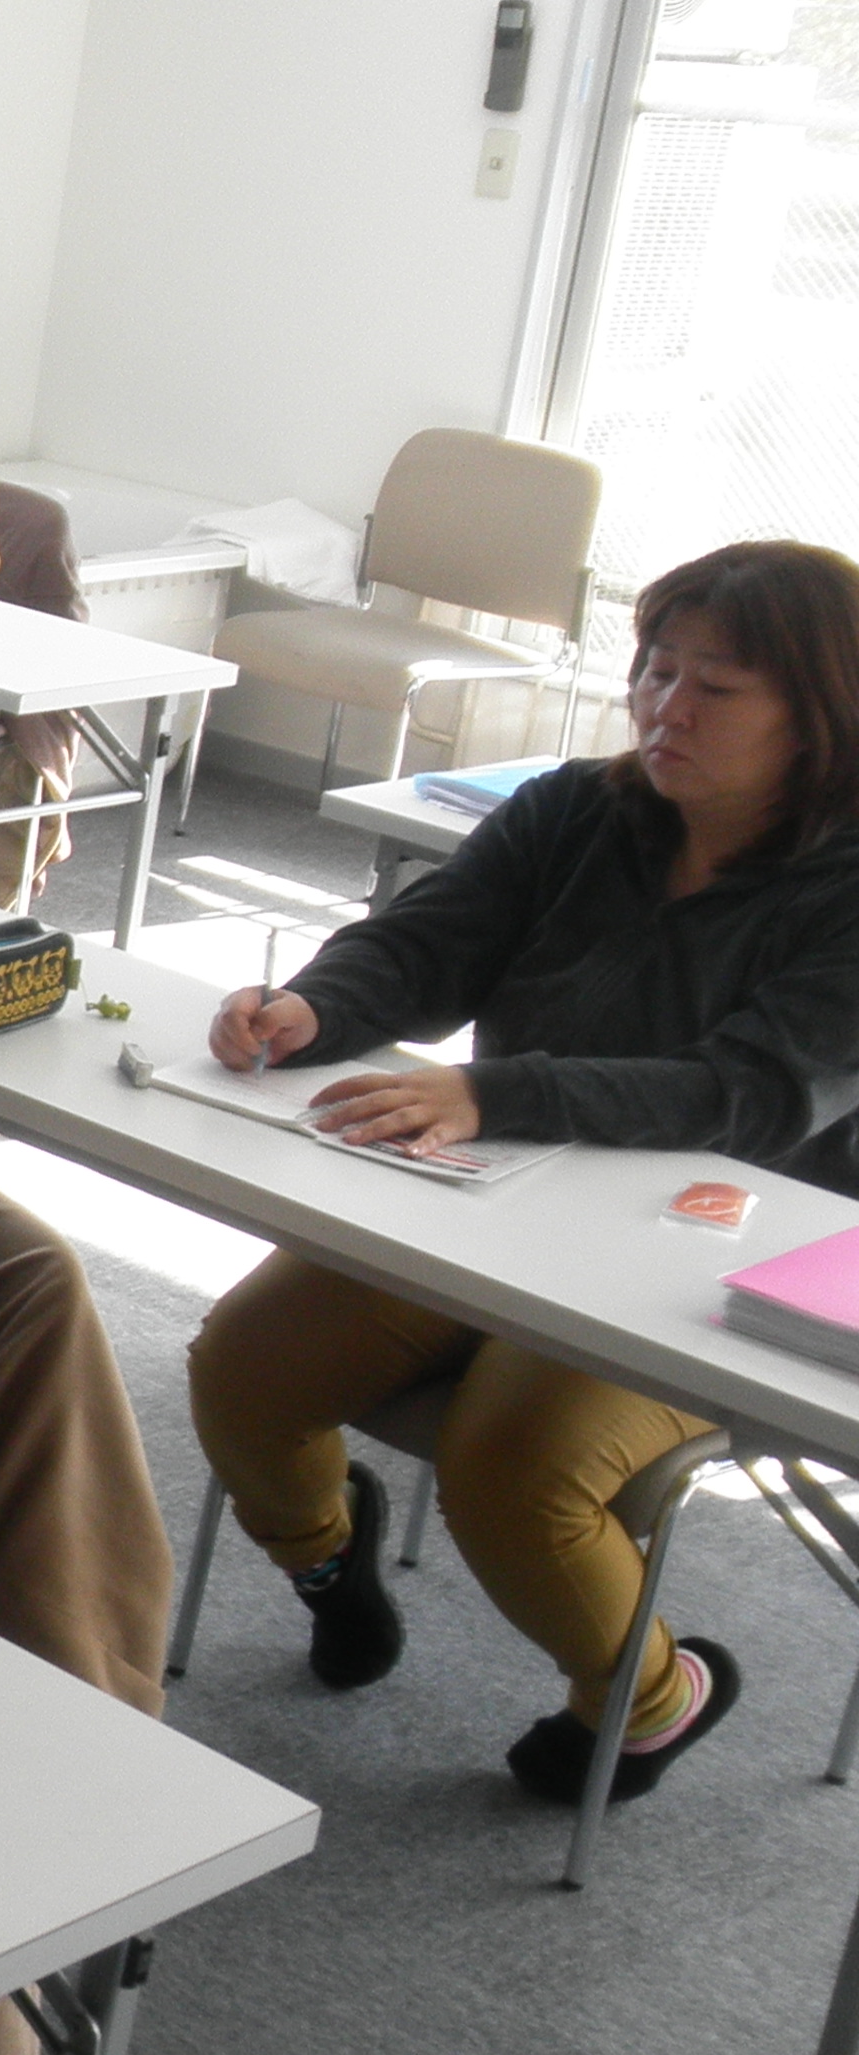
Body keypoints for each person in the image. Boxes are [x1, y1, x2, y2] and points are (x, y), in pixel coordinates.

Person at [183, 539, 859, 1809]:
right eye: (654, 671)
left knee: (513, 1473)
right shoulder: (576, 809)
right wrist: (314, 1009)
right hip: (504, 1191)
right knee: (245, 1368)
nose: (666, 708)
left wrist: (499, 1092)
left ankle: (650, 1698)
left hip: (716, 1257)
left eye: (716, 687)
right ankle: (330, 1559)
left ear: (819, 716)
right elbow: (423, 946)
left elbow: (753, 1095)